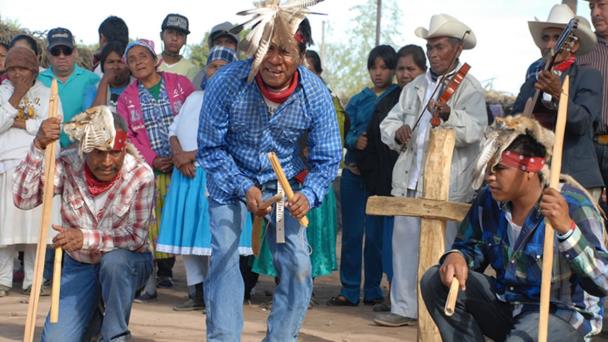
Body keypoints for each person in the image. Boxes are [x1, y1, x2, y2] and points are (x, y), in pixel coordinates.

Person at [197, 1, 341, 338]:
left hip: (283, 187)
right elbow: (210, 148)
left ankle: (281, 336)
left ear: (301, 54)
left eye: (286, 51)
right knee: (225, 257)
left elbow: (328, 158)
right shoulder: (227, 83)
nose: (275, 60)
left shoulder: (315, 94)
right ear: (255, 49)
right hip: (230, 181)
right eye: (268, 49)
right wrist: (242, 186)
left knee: (297, 265)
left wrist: (308, 194)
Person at [421, 115, 608, 341]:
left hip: (560, 318)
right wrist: (456, 257)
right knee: (435, 280)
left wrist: (567, 230)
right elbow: (469, 247)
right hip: (509, 305)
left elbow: (602, 282)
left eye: (498, 169)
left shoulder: (573, 205)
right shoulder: (488, 201)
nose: (489, 178)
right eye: (488, 169)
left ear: (529, 170)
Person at [379, 14, 487, 326]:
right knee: (404, 248)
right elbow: (389, 122)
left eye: (439, 47)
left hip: (447, 183)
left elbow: (478, 130)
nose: (433, 54)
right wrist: (397, 130)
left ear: (457, 49)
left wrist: (451, 113)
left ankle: (439, 313)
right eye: (430, 48)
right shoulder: (414, 86)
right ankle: (403, 308)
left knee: (445, 250)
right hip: (409, 180)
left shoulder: (470, 88)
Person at [13, 107, 154, 341]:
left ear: (123, 148)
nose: (107, 161)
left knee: (115, 263)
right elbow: (22, 198)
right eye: (98, 152)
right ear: (84, 149)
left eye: (114, 152)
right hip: (80, 265)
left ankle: (115, 334)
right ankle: (94, 316)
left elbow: (135, 237)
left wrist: (84, 238)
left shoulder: (141, 174)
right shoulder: (68, 165)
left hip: (127, 264)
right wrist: (38, 146)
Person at [155, 46, 252, 312]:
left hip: (214, 177)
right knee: (189, 238)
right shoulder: (194, 97)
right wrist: (178, 155)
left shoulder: (240, 101)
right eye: (213, 66)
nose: (217, 71)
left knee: (214, 239)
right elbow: (174, 130)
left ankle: (217, 296)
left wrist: (190, 157)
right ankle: (195, 292)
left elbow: (233, 141)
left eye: (223, 67)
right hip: (185, 176)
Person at [117, 39, 194, 300]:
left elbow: (195, 117)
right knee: (148, 226)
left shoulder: (179, 85)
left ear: (154, 59)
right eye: (132, 58)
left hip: (186, 167)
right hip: (150, 170)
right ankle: (148, 282)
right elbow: (126, 135)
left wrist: (181, 156)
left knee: (189, 222)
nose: (138, 61)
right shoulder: (127, 98)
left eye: (143, 56)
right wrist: (151, 158)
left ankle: (197, 287)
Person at [358, 44, 427, 316]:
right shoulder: (389, 102)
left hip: (424, 184)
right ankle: (397, 299)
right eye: (401, 68)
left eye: (411, 68)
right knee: (395, 247)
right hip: (389, 183)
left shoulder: (429, 95)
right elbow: (376, 139)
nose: (405, 74)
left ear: (423, 70)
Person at [327, 45, 398, 307]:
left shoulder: (399, 97)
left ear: (392, 70)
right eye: (373, 67)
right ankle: (349, 288)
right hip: (354, 173)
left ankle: (372, 290)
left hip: (379, 176)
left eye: (384, 67)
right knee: (353, 234)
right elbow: (343, 133)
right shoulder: (358, 99)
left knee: (377, 236)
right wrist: (354, 141)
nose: (378, 73)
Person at [512, 5, 604, 199]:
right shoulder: (531, 81)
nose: (549, 44)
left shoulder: (589, 76)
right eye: (545, 38)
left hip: (575, 179)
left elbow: (583, 123)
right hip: (534, 177)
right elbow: (513, 123)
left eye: (557, 38)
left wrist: (557, 94)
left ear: (574, 45)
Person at [0, 47, 61, 297]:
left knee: (35, 229)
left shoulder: (49, 93)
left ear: (34, 70)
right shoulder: (2, 92)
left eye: (23, 69)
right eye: (12, 69)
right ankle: (2, 279)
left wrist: (16, 121)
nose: (17, 74)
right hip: (6, 166)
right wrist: (17, 96)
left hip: (38, 166)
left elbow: (53, 126)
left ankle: (32, 281)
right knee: (5, 229)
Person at [38, 27, 100, 148]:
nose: (61, 56)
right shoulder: (38, 80)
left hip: (80, 151)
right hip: (46, 150)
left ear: (75, 52)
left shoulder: (92, 80)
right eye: (56, 51)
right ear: (48, 53)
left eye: (66, 51)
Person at [579, 0, 608, 191]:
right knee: (584, 211)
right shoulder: (582, 51)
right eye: (591, 7)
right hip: (586, 148)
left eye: (602, 5)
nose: (595, 13)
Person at [83, 41, 131, 113]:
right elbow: (95, 117)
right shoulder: (93, 89)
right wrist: (104, 81)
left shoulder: (138, 86)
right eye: (111, 62)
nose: (115, 67)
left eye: (120, 62)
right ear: (102, 66)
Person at [192, 21, 240, 90]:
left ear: (237, 46)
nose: (223, 46)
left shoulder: (246, 74)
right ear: (211, 46)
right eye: (218, 42)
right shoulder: (200, 78)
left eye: (229, 42)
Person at [157, 14, 198, 81]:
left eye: (180, 34)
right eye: (170, 32)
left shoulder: (191, 69)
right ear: (161, 35)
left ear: (185, 40)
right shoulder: (150, 63)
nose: (174, 38)